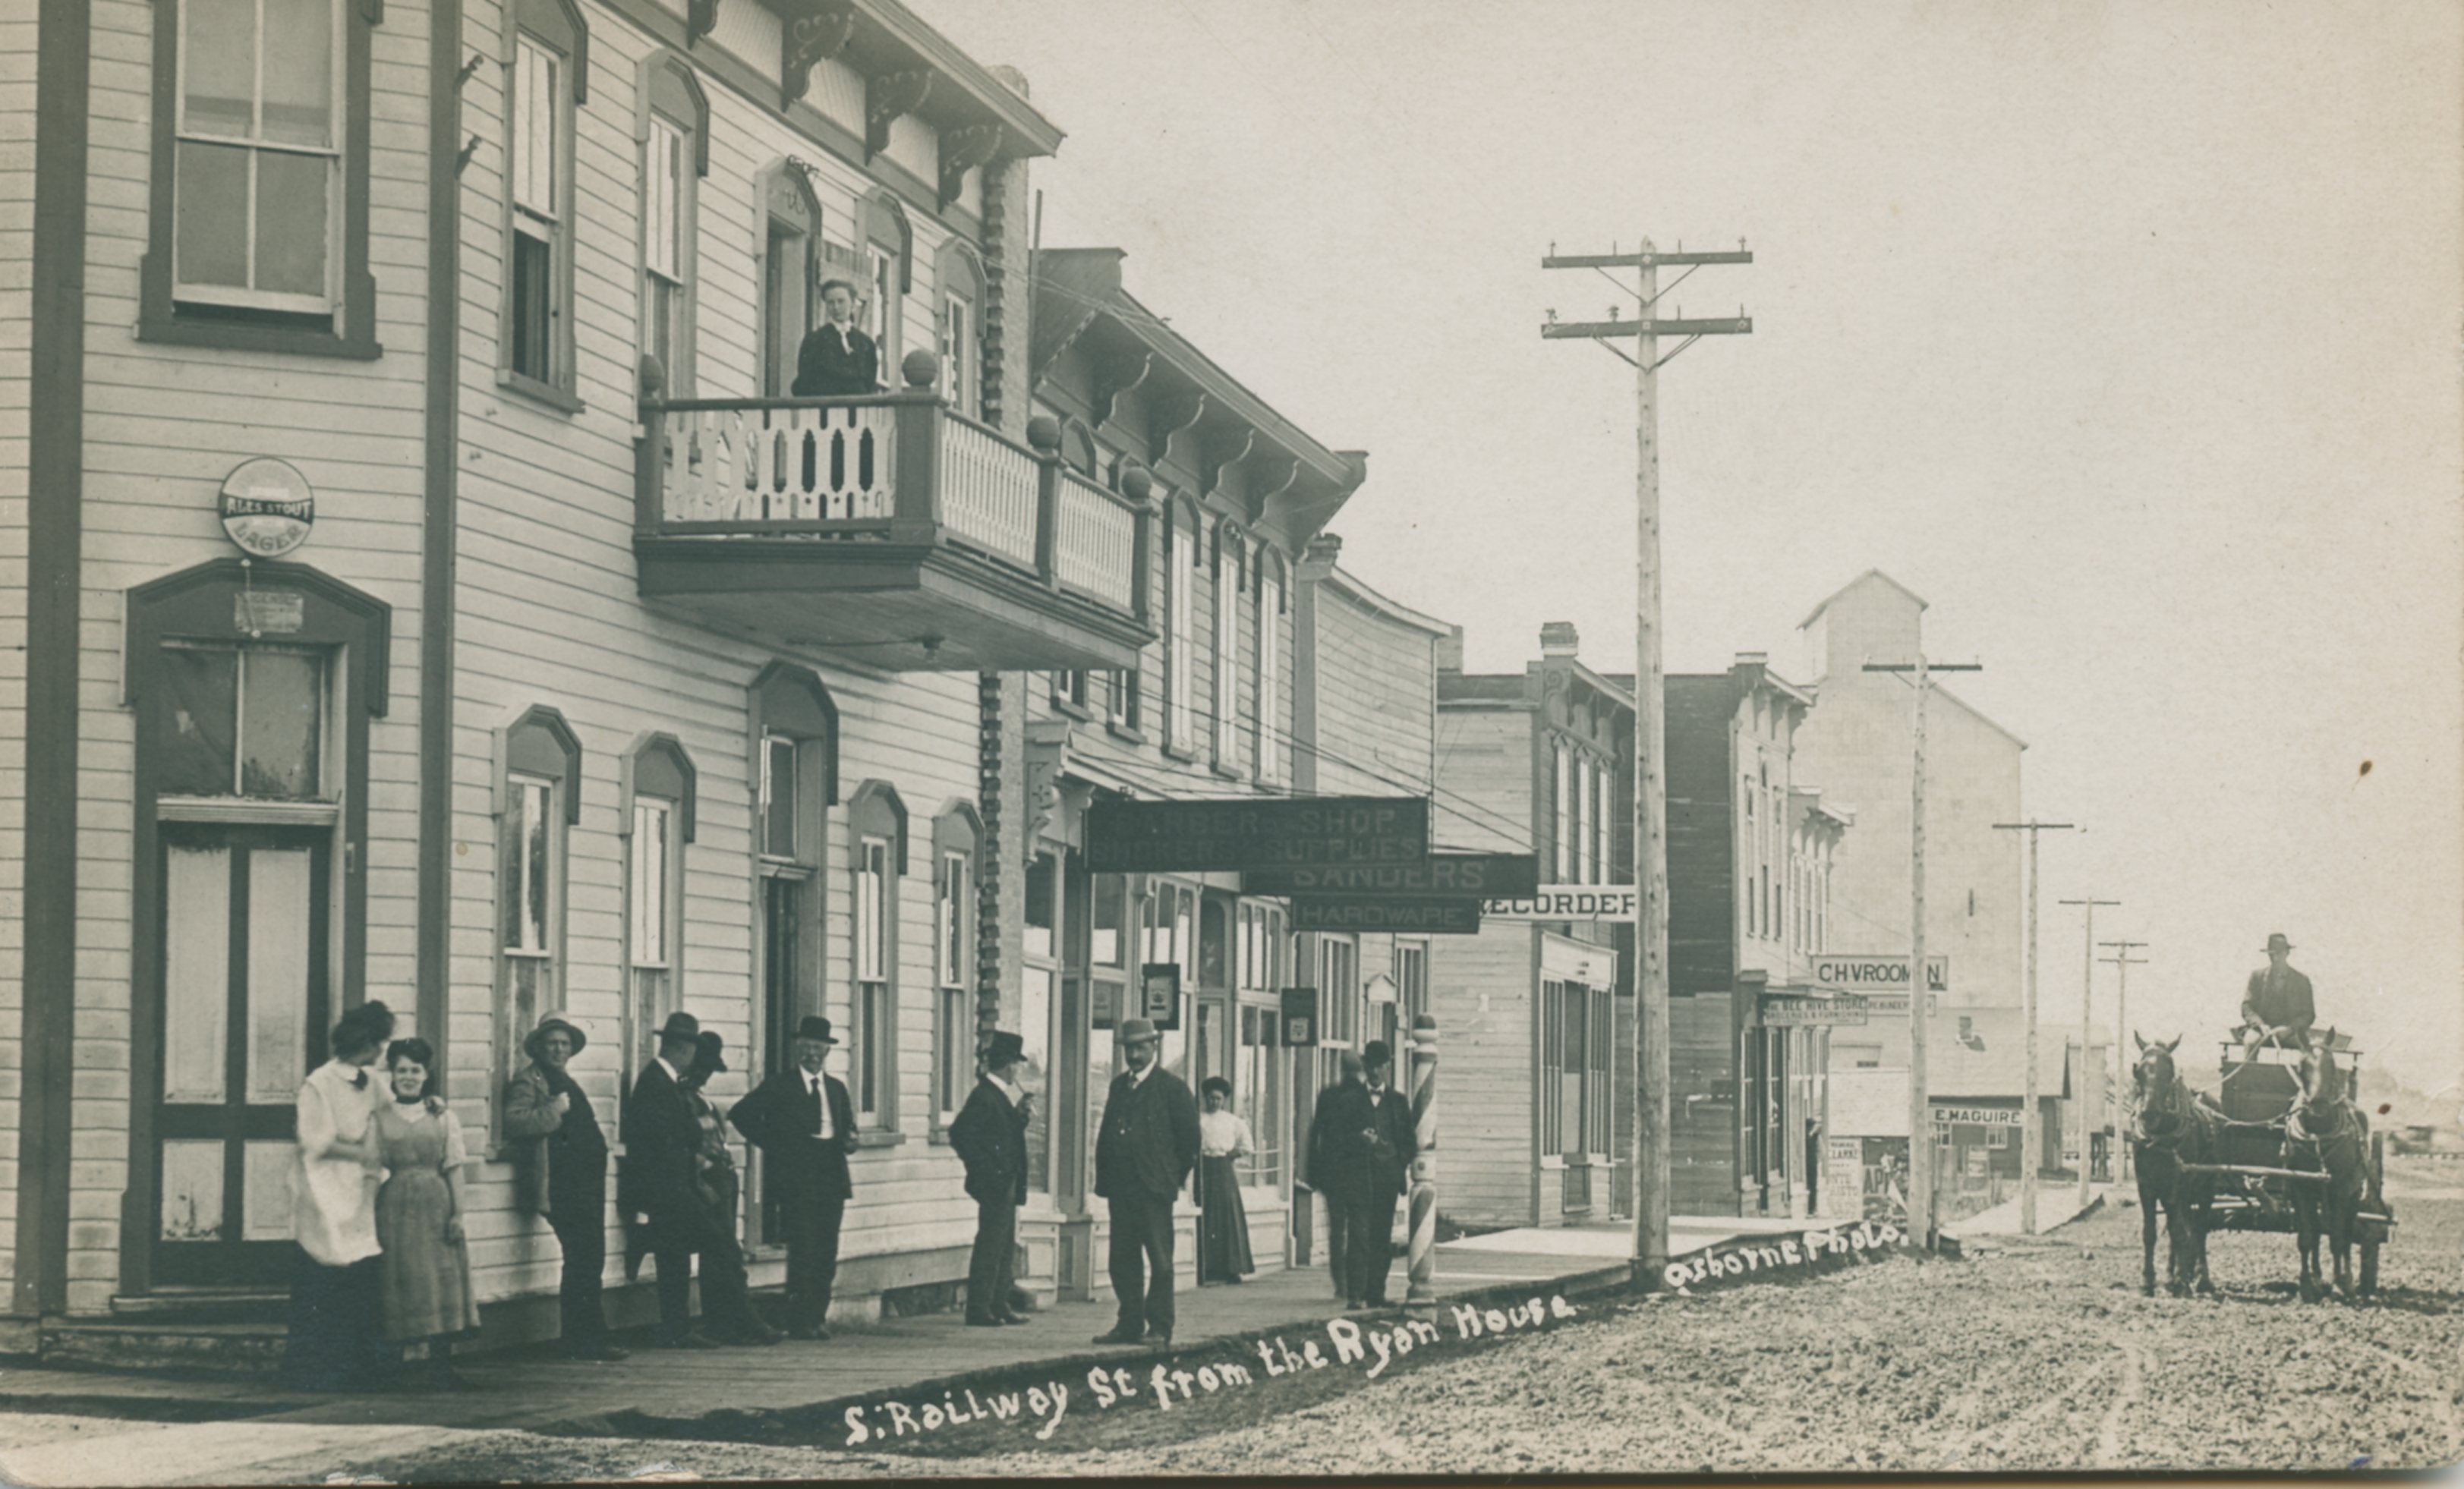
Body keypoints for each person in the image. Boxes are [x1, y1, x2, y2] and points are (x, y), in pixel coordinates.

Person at [283, 999, 399, 1392]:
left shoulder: (371, 1081)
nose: (383, 1050)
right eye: (380, 1042)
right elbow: (315, 1141)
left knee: (361, 1277)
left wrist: (429, 1103)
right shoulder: (321, 1083)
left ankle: (358, 1368)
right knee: (325, 1276)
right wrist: (362, 1152)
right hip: (324, 1186)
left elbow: (392, 1113)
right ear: (366, 1042)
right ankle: (314, 1371)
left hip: (360, 1187)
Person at [501, 1015, 627, 1362]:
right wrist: (554, 1110)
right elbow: (515, 1122)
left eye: (564, 1044)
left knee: (590, 1259)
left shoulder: (564, 1079)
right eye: (552, 1043)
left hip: (584, 1184)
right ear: (539, 1047)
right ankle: (580, 1340)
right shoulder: (531, 1081)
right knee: (582, 1260)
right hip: (560, 1184)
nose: (558, 1049)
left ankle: (591, 1336)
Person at [728, 1015, 858, 1340]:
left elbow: (848, 1128)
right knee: (803, 1250)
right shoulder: (781, 1085)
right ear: (798, 1049)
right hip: (799, 1176)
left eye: (818, 1047)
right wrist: (776, 1146)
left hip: (831, 1174)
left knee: (826, 1251)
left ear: (828, 1050)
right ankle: (799, 1321)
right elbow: (741, 1114)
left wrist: (850, 1140)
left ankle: (818, 1318)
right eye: (806, 1047)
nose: (812, 1053)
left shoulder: (837, 1089)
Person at [372, 1038, 481, 1390]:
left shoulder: (442, 1116)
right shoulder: (378, 1117)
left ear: (426, 1074)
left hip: (436, 1203)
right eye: (401, 1070)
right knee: (398, 1277)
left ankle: (441, 1367)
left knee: (439, 1278)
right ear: (392, 1074)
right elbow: (370, 1165)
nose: (408, 1077)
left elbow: (453, 1168)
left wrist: (458, 1214)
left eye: (415, 1071)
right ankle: (392, 1368)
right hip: (395, 1207)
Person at [1089, 1018, 1200, 1347]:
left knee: (1160, 1260)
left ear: (1155, 1047)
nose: (1134, 1055)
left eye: (1140, 1048)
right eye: (1129, 1048)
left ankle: (1161, 1326)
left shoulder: (1172, 1088)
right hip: (1122, 1188)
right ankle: (1129, 1323)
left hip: (1153, 1190)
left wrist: (1170, 1179)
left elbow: (1189, 1141)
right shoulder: (1118, 1087)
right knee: (1122, 1259)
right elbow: (1108, 1132)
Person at [678, 1032, 783, 1346]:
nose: (704, 1075)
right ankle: (739, 1319)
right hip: (704, 1182)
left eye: (708, 1070)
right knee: (722, 1249)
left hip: (721, 1179)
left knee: (723, 1251)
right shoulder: (682, 1097)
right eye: (701, 1068)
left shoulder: (701, 1099)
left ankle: (726, 1321)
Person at [622, 1011, 714, 1349]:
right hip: (663, 1185)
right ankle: (676, 1328)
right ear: (685, 1051)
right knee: (675, 1254)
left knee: (676, 1253)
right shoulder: (656, 1084)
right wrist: (697, 1129)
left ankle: (678, 1326)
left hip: (671, 1183)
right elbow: (661, 1133)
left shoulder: (663, 1081)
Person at [1312, 1040, 1417, 1310]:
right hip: (1356, 1178)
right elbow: (1333, 1141)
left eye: (1379, 1066)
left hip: (1387, 1180)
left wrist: (1397, 1163)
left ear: (1387, 1067)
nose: (1374, 1072)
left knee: (1381, 1238)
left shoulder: (1397, 1102)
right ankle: (1355, 1295)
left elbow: (1409, 1142)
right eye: (1369, 1066)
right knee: (1358, 1236)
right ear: (1364, 1067)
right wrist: (1358, 1140)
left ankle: (1376, 1294)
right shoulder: (1348, 1101)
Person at [949, 1030, 1032, 1328]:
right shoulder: (985, 1096)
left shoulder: (996, 1096)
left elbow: (1001, 1135)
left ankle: (998, 1303)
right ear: (1009, 1065)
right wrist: (987, 1171)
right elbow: (960, 1134)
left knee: (1003, 1244)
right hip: (996, 1184)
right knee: (990, 1244)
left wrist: (1019, 1117)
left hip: (1004, 1184)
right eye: (1017, 1065)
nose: (1018, 1070)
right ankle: (979, 1308)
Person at [1305, 1051, 1367, 1299]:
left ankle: (1341, 1283)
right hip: (1360, 1173)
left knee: (1337, 1229)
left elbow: (1315, 1135)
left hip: (1332, 1172)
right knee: (1358, 1229)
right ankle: (1355, 1283)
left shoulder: (1328, 1096)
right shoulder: (1366, 1097)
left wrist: (1312, 1172)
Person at [1196, 1077, 1255, 1286]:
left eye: (1218, 1099)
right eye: (1211, 1098)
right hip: (1203, 1168)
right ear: (1205, 1098)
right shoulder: (1198, 1119)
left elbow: (1248, 1146)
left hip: (1223, 1167)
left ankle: (1232, 1268)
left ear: (1225, 1100)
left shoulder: (1233, 1121)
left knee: (1227, 1215)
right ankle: (1206, 1267)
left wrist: (1232, 1154)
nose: (1214, 1103)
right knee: (1206, 1213)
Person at [791, 279, 880, 398]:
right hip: (825, 408)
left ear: (853, 303)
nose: (836, 307)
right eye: (831, 303)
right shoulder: (815, 340)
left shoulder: (866, 343)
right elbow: (804, 382)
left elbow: (869, 383)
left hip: (858, 409)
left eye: (841, 301)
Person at [2239, 932, 2317, 1054]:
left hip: (2290, 1033)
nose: (2275, 958)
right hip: (2261, 1031)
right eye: (2271, 955)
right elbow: (2247, 1007)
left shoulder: (2301, 980)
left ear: (2287, 953)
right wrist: (2260, 1025)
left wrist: (2290, 1029)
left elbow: (2309, 1015)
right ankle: (2249, 1073)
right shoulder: (2257, 977)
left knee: (2309, 1049)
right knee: (2250, 1043)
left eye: (2278, 954)